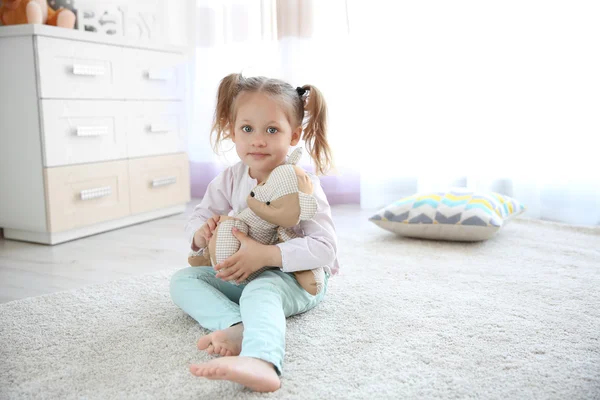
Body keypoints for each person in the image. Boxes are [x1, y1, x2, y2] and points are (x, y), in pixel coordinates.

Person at [169, 73, 339, 392]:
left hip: (295, 279)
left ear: (293, 135)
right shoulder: (230, 178)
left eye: (271, 130)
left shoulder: (303, 185)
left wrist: (268, 255)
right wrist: (201, 233)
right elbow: (201, 214)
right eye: (247, 129)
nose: (257, 140)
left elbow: (326, 248)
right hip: (244, 273)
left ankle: (261, 360)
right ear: (232, 131)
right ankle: (238, 326)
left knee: (262, 291)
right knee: (183, 281)